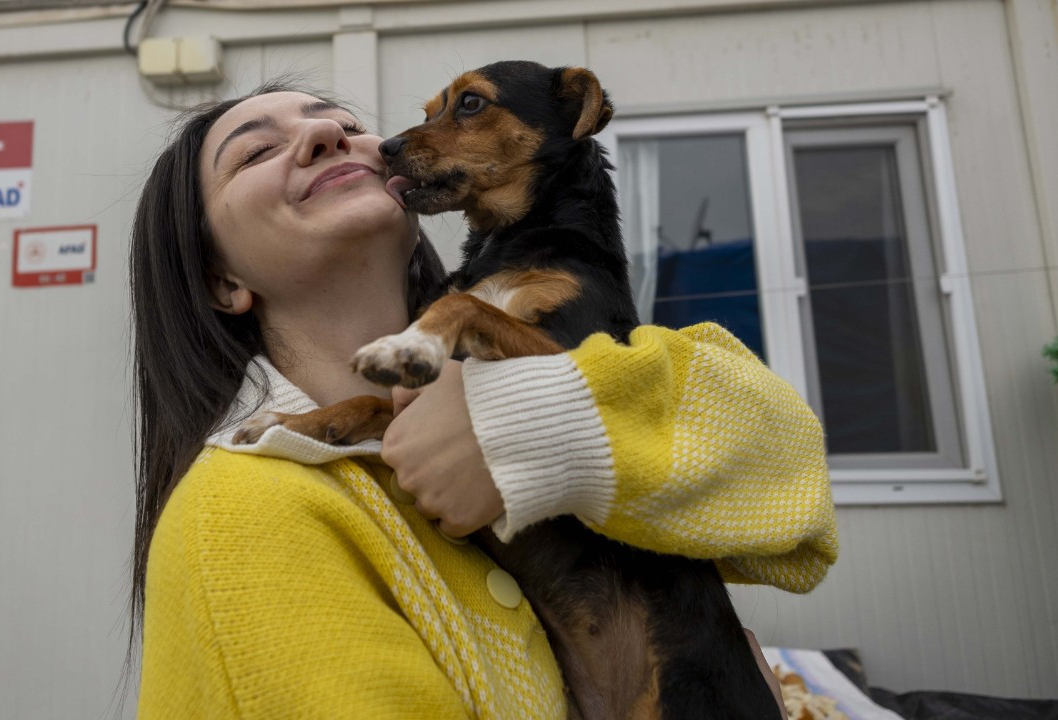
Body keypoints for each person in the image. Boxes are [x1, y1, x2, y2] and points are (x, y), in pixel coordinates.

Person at [129, 81, 836, 719]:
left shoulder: (553, 317)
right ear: (222, 280)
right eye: (255, 154)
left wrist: (516, 422)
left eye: (341, 122)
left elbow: (796, 505)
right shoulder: (240, 515)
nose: (326, 136)